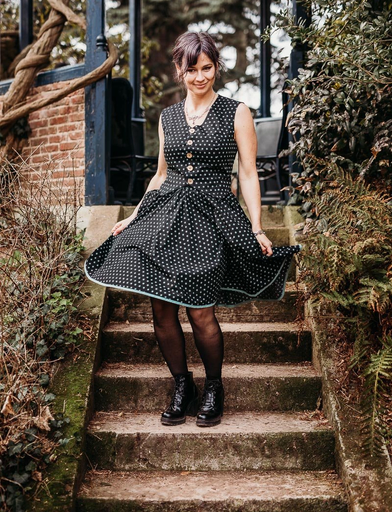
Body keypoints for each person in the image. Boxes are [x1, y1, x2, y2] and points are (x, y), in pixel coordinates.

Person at [84, 31, 301, 428]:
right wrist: (134, 217)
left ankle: (214, 386)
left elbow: (249, 174)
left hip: (210, 217)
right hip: (164, 215)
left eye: (207, 68)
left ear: (216, 67)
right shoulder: (168, 116)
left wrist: (256, 227)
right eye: (191, 69)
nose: (200, 76)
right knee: (161, 309)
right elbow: (160, 176)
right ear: (179, 70)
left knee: (201, 313)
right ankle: (182, 384)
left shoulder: (237, 111)